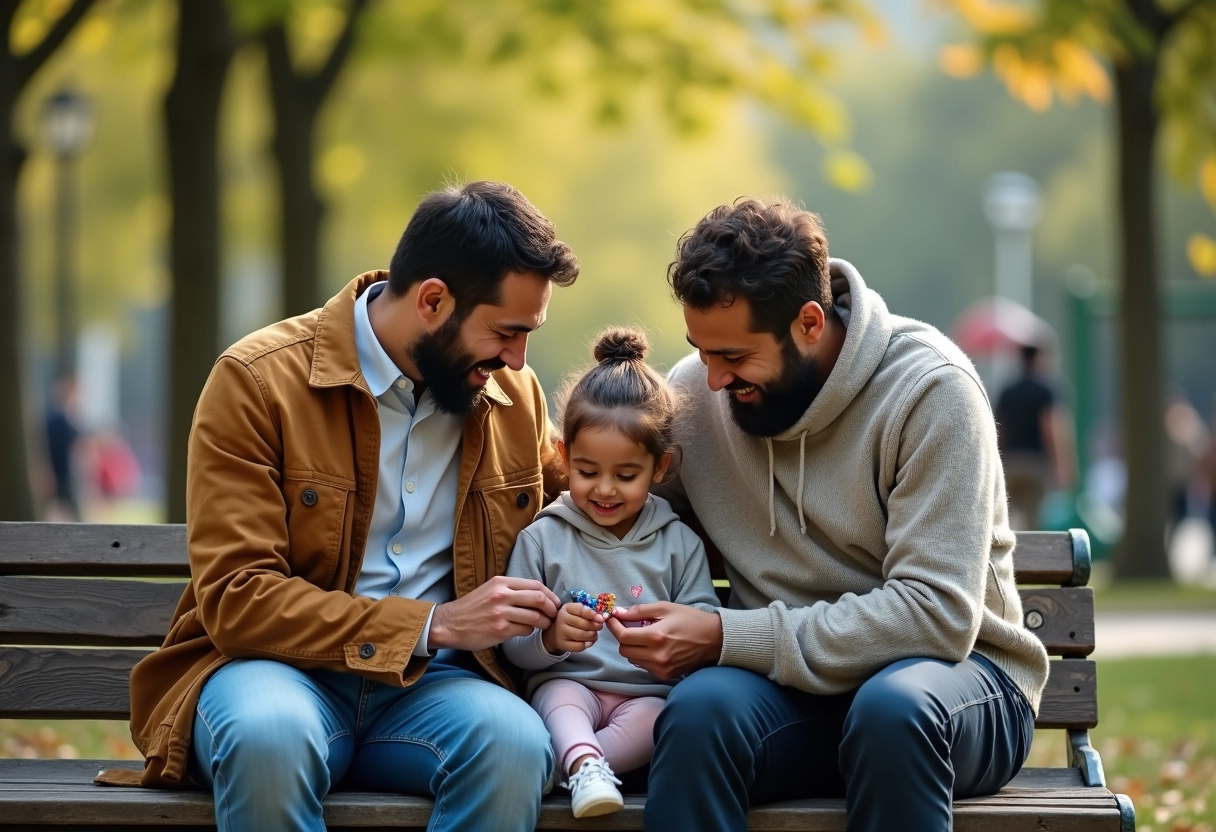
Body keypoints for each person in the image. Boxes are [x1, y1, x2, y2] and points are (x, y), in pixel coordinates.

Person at [97, 181, 580, 832]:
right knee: (269, 738)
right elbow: (240, 597)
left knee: (515, 747)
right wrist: (431, 625)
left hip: (433, 692)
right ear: (433, 300)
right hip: (272, 672)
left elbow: (588, 496)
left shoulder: (511, 396)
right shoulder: (257, 382)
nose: (519, 360)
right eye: (506, 332)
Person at [603, 197, 1050, 832]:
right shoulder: (699, 398)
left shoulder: (931, 391)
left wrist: (728, 636)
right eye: (701, 352)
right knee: (700, 713)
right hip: (793, 694)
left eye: (733, 357)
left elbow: (937, 616)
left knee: (892, 713)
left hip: (956, 685)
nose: (711, 381)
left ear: (810, 323)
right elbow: (629, 521)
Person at [501, 327, 718, 819]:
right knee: (560, 700)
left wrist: (668, 635)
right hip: (568, 684)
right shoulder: (543, 538)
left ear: (659, 467)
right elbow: (515, 648)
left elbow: (704, 623)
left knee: (660, 718)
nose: (605, 490)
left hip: (645, 694)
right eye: (586, 471)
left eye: (626, 475)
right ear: (563, 457)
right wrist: (553, 638)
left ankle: (577, 771)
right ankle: (581, 761)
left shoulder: (677, 543)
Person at [994, 344, 1075, 529]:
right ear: (1039, 360)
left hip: (1011, 462)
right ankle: (1029, 557)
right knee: (1033, 521)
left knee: (1005, 519)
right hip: (1036, 463)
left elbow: (1000, 429)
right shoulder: (1045, 391)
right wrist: (1061, 465)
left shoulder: (1007, 391)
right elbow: (1051, 429)